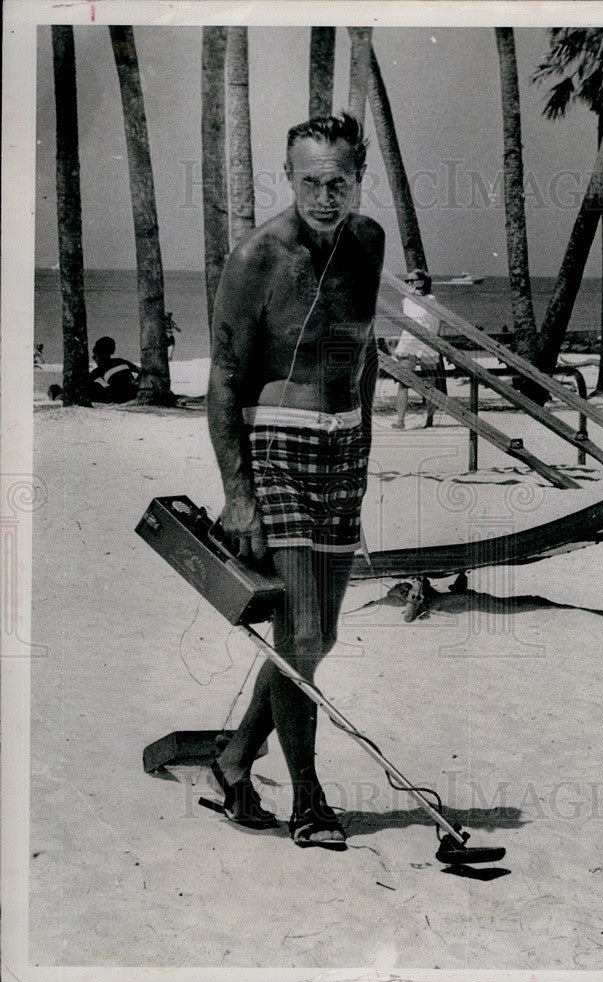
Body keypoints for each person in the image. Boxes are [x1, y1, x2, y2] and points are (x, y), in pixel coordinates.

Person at [206, 112, 385, 848]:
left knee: (317, 638)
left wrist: (365, 442)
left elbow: (364, 352)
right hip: (275, 445)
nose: (323, 195)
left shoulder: (368, 244)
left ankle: (233, 759)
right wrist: (239, 495)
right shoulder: (258, 257)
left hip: (343, 451)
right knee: (302, 628)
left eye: (336, 181)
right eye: (309, 181)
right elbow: (221, 380)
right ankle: (309, 798)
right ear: (289, 176)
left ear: (356, 179)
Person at [392, 269, 442, 429]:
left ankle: (430, 419)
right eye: (407, 281)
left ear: (421, 282)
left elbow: (436, 322)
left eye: (411, 280)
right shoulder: (405, 300)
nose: (408, 284)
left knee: (430, 383)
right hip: (409, 342)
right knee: (403, 382)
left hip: (426, 343)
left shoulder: (431, 299)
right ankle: (400, 421)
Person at [89, 336, 140, 403]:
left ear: (97, 356)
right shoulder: (121, 361)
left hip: (118, 398)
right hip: (133, 393)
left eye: (94, 357)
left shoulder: (97, 372)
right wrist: (136, 383)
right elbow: (142, 371)